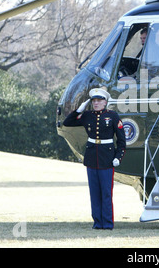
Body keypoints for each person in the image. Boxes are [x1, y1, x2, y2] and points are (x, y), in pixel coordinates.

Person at [63, 88, 126, 229]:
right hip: (92, 157)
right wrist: (79, 110)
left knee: (106, 193)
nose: (96, 103)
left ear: (105, 102)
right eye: (94, 101)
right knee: (94, 193)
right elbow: (68, 122)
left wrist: (118, 157)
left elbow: (122, 141)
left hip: (107, 158)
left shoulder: (113, 116)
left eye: (99, 101)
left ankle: (108, 223)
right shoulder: (87, 115)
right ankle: (97, 223)